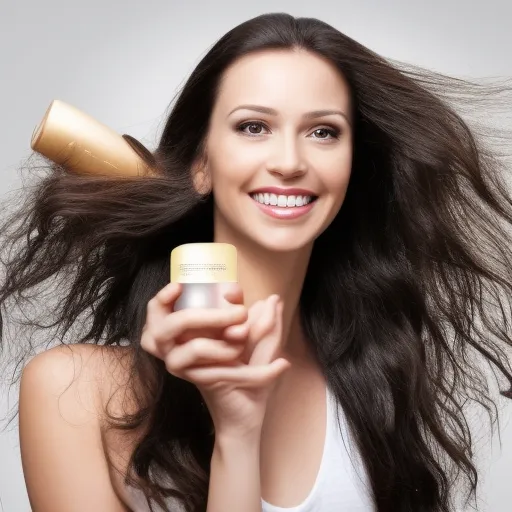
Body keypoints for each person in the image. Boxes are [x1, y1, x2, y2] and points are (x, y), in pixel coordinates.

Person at [1, 11, 512, 512]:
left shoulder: (376, 378)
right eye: (252, 127)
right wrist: (237, 436)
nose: (289, 162)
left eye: (324, 132)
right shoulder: (72, 394)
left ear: (354, 167)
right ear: (201, 164)